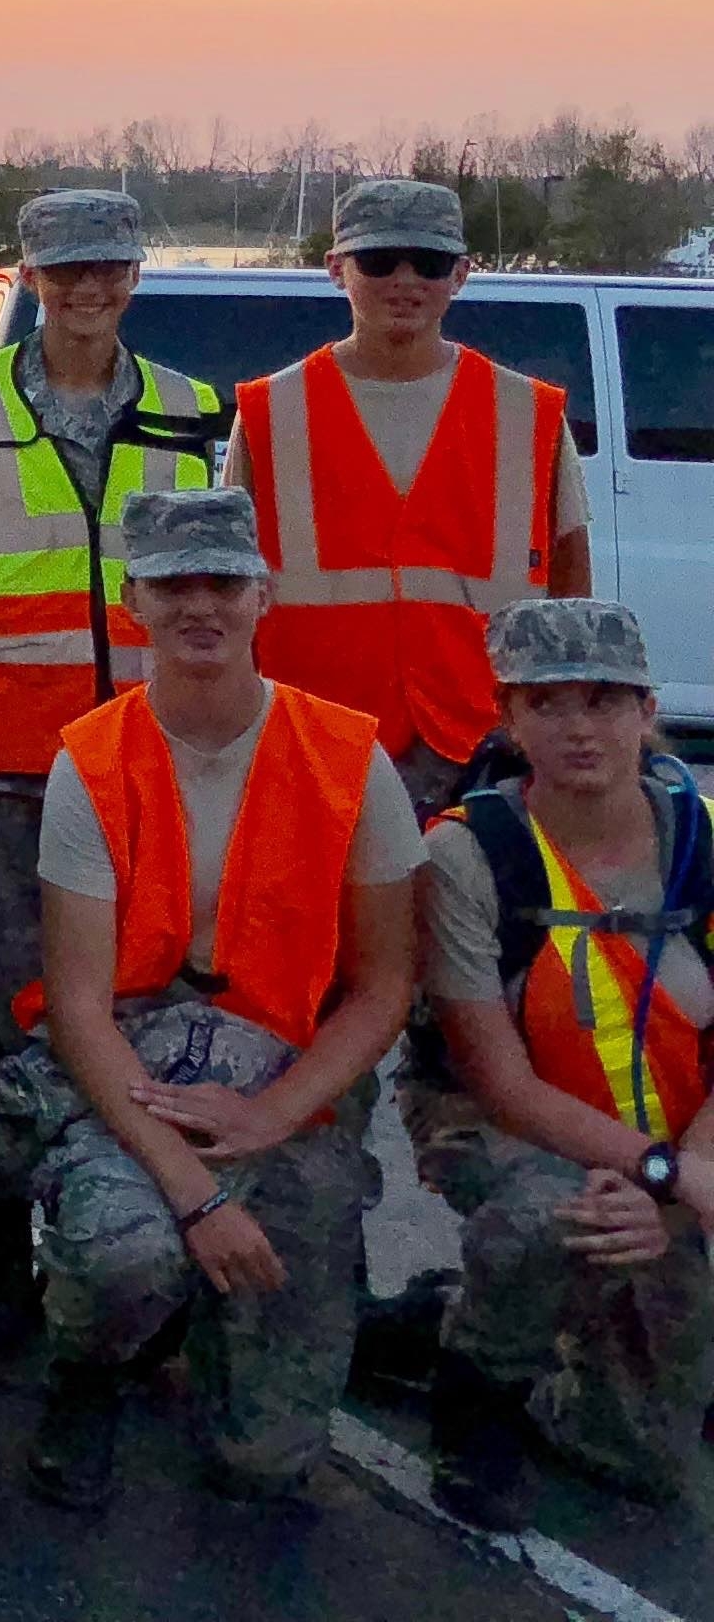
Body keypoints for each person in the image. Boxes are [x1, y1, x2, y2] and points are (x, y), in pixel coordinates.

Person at [8, 486, 421, 1509]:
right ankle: (91, 1371)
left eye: (224, 582)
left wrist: (269, 1117)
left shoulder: (350, 758)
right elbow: (77, 1007)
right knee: (126, 1251)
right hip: (136, 1073)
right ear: (131, 601)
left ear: (263, 595)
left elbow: (384, 988)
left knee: (265, 1464)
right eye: (174, 584)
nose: (202, 605)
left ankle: (215, 1339)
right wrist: (197, 1198)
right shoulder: (88, 762)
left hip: (283, 1078)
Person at [0, 188, 228, 1341]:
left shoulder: (192, 413)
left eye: (109, 271)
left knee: (136, 997)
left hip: (141, 768)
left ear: (135, 275)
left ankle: (124, 1227)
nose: (88, 292)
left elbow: (215, 596)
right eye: (65, 271)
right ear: (30, 276)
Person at [405, 595, 714, 1524]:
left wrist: (691, 1170)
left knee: (646, 1463)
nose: (581, 727)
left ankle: (461, 1333)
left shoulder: (703, 840)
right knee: (548, 1217)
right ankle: (479, 1386)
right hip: (509, 1126)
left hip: (678, 1127)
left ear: (648, 710)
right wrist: (664, 1176)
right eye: (547, 703)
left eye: (606, 698)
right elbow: (499, 1087)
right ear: (508, 717)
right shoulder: (471, 853)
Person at [234, 177, 593, 812]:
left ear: (460, 275)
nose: (405, 282)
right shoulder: (270, 411)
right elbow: (230, 589)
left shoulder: (529, 413)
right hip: (314, 741)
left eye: (427, 264)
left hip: (486, 749)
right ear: (336, 269)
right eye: (378, 262)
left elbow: (571, 590)